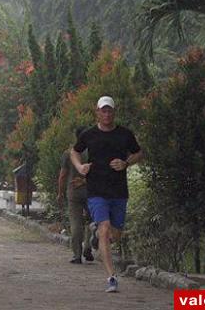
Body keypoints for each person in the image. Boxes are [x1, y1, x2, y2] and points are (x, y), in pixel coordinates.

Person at [70, 96, 143, 293]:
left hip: (118, 191)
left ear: (114, 112)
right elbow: (74, 151)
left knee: (115, 234)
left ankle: (96, 238)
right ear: (97, 112)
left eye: (109, 110)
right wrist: (80, 166)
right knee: (104, 227)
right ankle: (111, 277)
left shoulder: (125, 134)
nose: (107, 114)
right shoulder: (89, 135)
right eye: (103, 110)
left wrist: (126, 163)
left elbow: (138, 153)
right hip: (96, 190)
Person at [57, 126, 94, 264]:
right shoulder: (93, 151)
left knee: (76, 223)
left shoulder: (69, 154)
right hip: (92, 191)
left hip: (73, 192)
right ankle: (88, 248)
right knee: (92, 220)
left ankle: (77, 255)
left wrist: (60, 193)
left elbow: (62, 176)